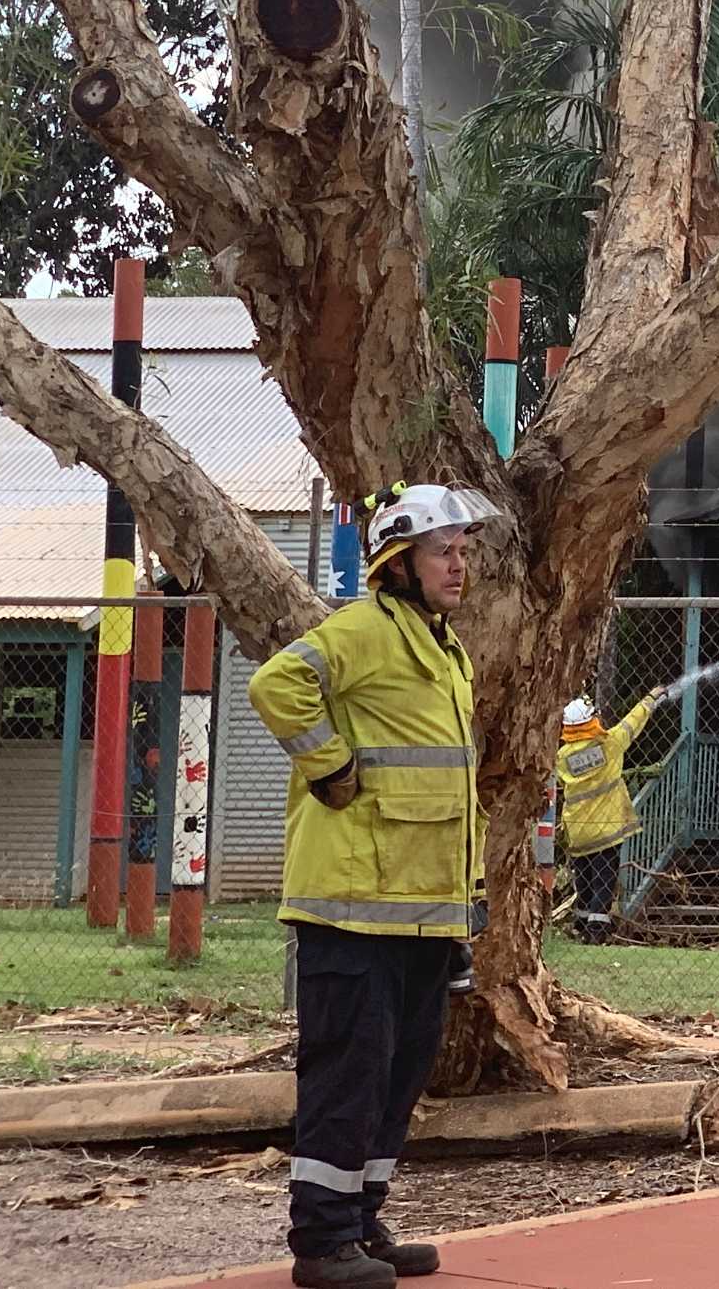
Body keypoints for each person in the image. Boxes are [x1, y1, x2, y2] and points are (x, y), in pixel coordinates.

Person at [250, 481, 496, 1289]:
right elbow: (275, 686)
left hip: (419, 914)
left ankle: (360, 1219)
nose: (459, 566)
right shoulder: (362, 630)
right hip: (351, 908)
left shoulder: (442, 647)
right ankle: (321, 1242)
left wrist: (471, 900)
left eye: (463, 551)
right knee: (347, 1071)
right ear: (399, 561)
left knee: (399, 1074)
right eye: (443, 552)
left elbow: (454, 792)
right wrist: (331, 765)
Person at [556, 688, 662, 944]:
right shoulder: (610, 744)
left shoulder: (562, 757)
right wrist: (650, 698)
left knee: (585, 882)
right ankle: (596, 933)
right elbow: (632, 722)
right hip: (606, 831)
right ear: (590, 721)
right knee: (604, 883)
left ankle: (581, 926)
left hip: (579, 833)